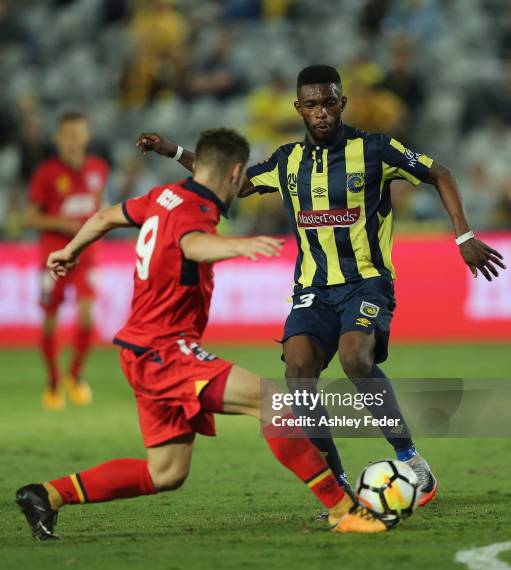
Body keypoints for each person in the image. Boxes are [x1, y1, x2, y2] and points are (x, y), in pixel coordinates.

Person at [136, 65, 506, 509]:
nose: (322, 112)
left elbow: (440, 173)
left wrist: (463, 235)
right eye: (312, 104)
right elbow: (224, 179)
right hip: (312, 289)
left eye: (329, 102)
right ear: (299, 109)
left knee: (354, 358)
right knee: (297, 373)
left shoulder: (376, 149)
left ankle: (410, 458)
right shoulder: (287, 160)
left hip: (367, 283)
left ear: (342, 103)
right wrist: (174, 151)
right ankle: (339, 479)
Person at [16, 128, 392, 541]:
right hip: (165, 350)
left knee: (167, 472)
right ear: (235, 173)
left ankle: (47, 495)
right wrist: (238, 247)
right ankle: (343, 508)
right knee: (272, 403)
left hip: (141, 350)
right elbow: (192, 245)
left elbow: (106, 217)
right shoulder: (195, 211)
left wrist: (70, 249)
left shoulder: (163, 196)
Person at [25, 112, 109, 411]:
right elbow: (30, 217)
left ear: (86, 137)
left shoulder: (98, 169)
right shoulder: (46, 173)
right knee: (51, 319)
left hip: (86, 255)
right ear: (58, 139)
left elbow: (99, 206)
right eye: (68, 135)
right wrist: (66, 224)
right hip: (54, 256)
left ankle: (74, 376)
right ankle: (52, 380)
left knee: (87, 316)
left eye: (78, 134)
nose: (73, 140)